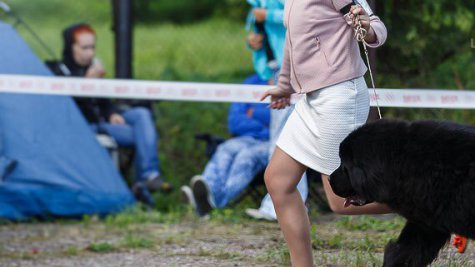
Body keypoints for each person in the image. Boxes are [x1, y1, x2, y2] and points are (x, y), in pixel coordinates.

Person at [257, 0, 391, 267]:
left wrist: (364, 27)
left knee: (340, 200)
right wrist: (283, 86)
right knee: (278, 180)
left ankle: (448, 206)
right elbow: (293, 43)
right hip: (310, 101)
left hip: (340, 97)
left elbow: (378, 30)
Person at [47, 23, 168, 201]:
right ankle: (142, 183)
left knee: (142, 114)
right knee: (142, 136)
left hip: (105, 121)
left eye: (93, 48)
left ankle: (150, 175)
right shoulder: (59, 71)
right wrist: (86, 83)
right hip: (86, 126)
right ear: (70, 47)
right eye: (84, 48)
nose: (90, 53)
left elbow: (104, 102)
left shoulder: (92, 69)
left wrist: (112, 112)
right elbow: (66, 107)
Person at [242, 0, 309, 221]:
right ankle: (282, 204)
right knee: (284, 138)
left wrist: (265, 17)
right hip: (277, 71)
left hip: (291, 72)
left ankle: (282, 204)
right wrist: (252, 41)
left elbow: (299, 18)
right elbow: (257, 33)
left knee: (284, 140)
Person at [181, 74, 309, 217]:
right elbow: (235, 122)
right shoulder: (251, 82)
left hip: (275, 141)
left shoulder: (295, 84)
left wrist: (253, 113)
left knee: (246, 156)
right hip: (247, 138)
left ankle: (213, 200)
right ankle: (206, 190)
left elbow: (288, 120)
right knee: (225, 149)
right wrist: (267, 121)